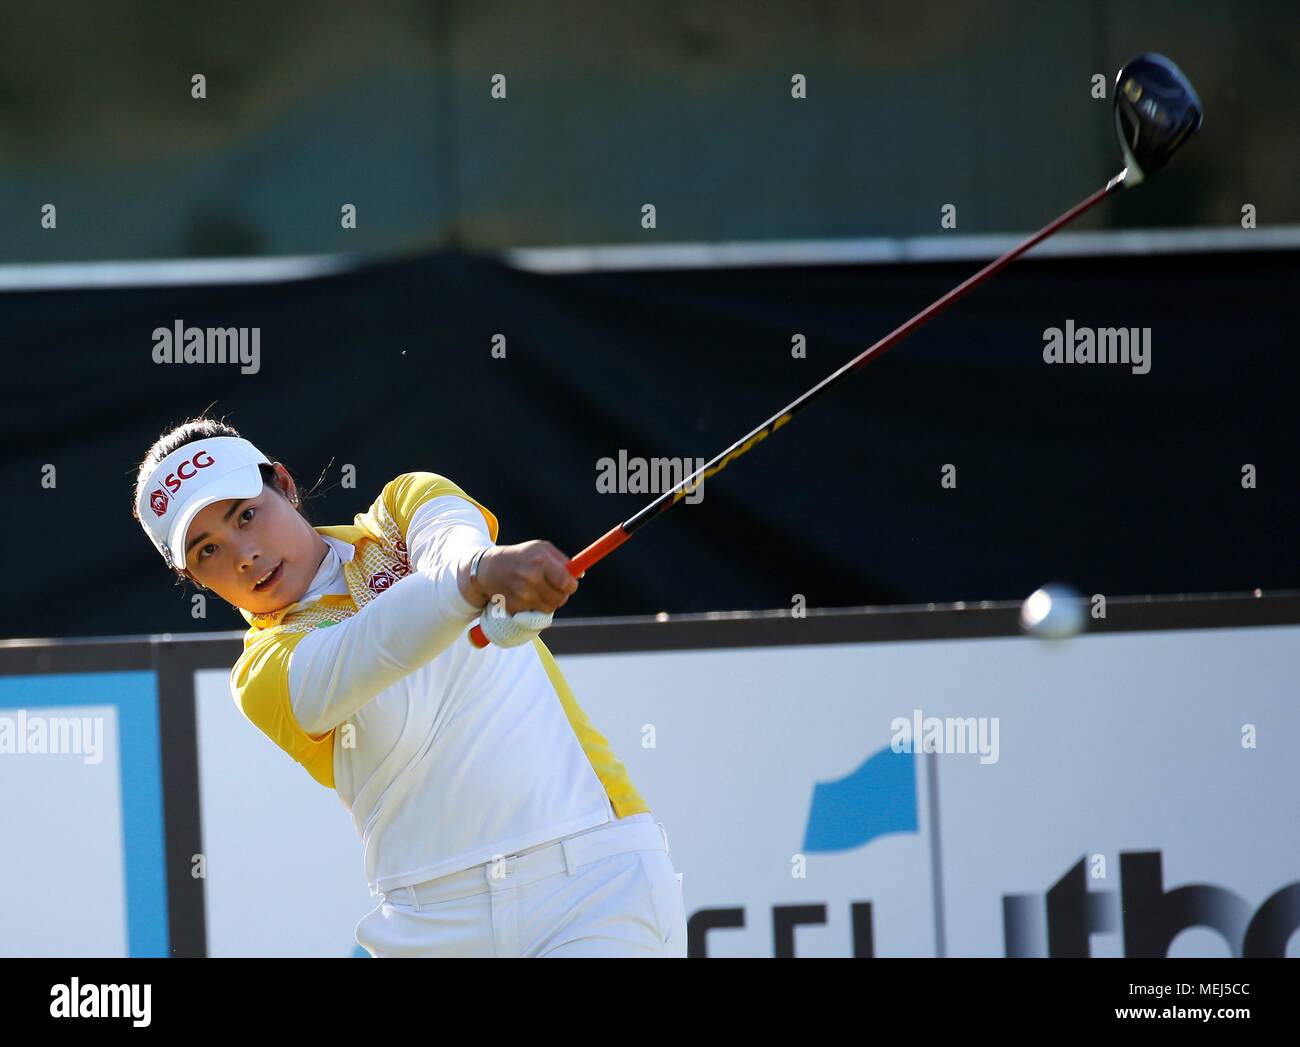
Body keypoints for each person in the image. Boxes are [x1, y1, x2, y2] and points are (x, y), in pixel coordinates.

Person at [131, 415, 687, 957]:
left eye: (246, 515)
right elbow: (373, 645)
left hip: (590, 884)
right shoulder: (262, 675)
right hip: (427, 927)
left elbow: (451, 545)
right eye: (207, 551)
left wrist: (480, 570)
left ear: (285, 483)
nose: (242, 553)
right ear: (194, 579)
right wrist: (473, 586)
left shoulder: (403, 507)